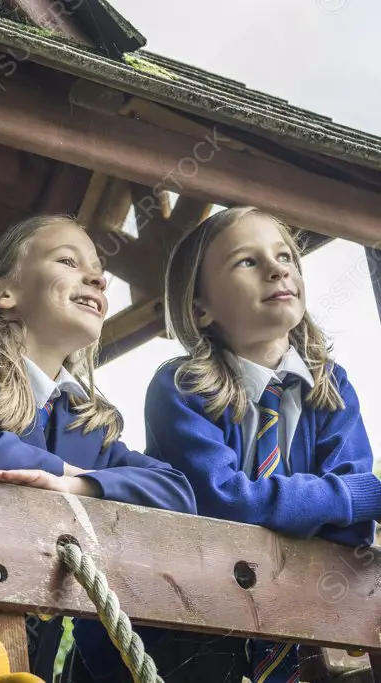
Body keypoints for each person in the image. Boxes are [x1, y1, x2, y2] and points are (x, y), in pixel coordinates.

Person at [0, 214, 196, 682]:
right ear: (1, 293)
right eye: (68, 260)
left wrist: (74, 484)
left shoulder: (88, 422)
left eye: (99, 270)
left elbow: (176, 490)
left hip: (35, 654)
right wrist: (60, 468)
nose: (98, 278)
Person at [143, 206, 381, 682]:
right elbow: (224, 502)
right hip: (179, 627)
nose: (278, 269)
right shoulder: (181, 388)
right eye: (246, 262)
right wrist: (357, 496)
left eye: (284, 255)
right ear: (200, 308)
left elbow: (351, 533)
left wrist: (343, 504)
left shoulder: (331, 388)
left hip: (296, 625)